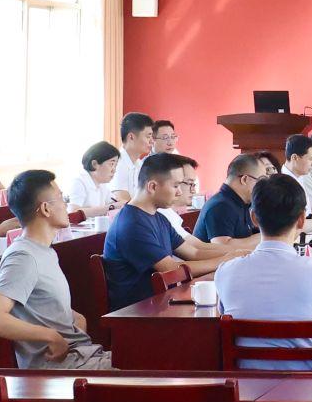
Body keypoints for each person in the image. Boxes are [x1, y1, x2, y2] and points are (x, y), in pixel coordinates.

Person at [214, 172, 312, 369]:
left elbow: (223, 315)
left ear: (254, 218)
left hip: (244, 385)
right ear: (301, 220)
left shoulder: (225, 273)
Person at [0, 170, 110, 370]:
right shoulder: (23, 257)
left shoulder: (43, 250)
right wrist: (52, 336)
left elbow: (40, 305)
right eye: (61, 198)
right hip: (59, 368)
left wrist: (75, 319)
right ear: (46, 208)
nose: (65, 204)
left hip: (80, 356)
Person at [100, 151, 236, 310]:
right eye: (175, 186)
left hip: (161, 302)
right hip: (137, 312)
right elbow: (171, 268)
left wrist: (237, 254)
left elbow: (193, 253)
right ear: (152, 186)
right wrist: (223, 260)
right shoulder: (131, 224)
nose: (179, 192)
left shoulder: (158, 217)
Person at [195, 153, 268, 245]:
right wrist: (266, 236)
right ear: (244, 179)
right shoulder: (221, 206)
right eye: (261, 180)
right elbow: (221, 246)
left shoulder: (242, 202)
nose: (263, 186)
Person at [65, 141, 125, 215]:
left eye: (115, 165)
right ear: (94, 164)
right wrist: (112, 207)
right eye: (111, 164)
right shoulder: (79, 182)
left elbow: (118, 203)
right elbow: (73, 213)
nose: (114, 170)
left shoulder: (102, 185)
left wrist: (120, 204)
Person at [116, 113, 157, 198]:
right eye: (148, 136)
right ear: (131, 137)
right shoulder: (116, 164)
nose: (152, 141)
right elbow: (123, 202)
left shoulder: (140, 164)